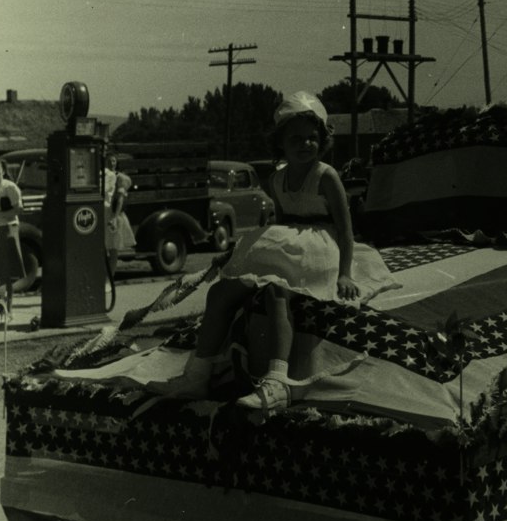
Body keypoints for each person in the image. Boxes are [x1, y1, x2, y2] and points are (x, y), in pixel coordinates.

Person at [147, 92, 396, 414]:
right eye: (296, 139)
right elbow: (282, 223)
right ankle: (198, 374)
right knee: (221, 291)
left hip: (323, 247)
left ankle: (277, 383)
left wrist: (346, 272)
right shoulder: (276, 179)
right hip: (292, 243)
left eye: (311, 138)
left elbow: (346, 229)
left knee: (278, 292)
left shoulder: (326, 176)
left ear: (322, 141)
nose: (305, 145)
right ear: (280, 142)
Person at [0, 154, 24, 314]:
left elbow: (18, 209)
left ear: (3, 170)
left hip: (7, 230)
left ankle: (6, 310)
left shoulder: (9, 187)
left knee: (5, 272)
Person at [103, 151, 136, 276]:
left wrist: (115, 217)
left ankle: (110, 274)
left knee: (113, 246)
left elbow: (120, 198)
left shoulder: (120, 178)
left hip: (113, 213)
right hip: (104, 212)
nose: (112, 163)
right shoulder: (103, 176)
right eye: (109, 161)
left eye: (114, 161)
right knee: (104, 245)